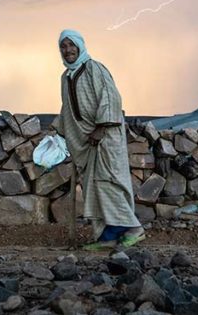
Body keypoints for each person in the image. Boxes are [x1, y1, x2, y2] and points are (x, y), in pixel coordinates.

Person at [52, 29, 145, 250]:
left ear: (80, 46)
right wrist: (61, 130)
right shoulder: (66, 77)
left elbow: (110, 98)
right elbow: (68, 108)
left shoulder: (95, 69)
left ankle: (134, 229)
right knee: (93, 187)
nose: (67, 50)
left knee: (109, 182)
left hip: (105, 139)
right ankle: (108, 236)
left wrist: (101, 128)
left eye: (71, 45)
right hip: (86, 142)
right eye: (63, 47)